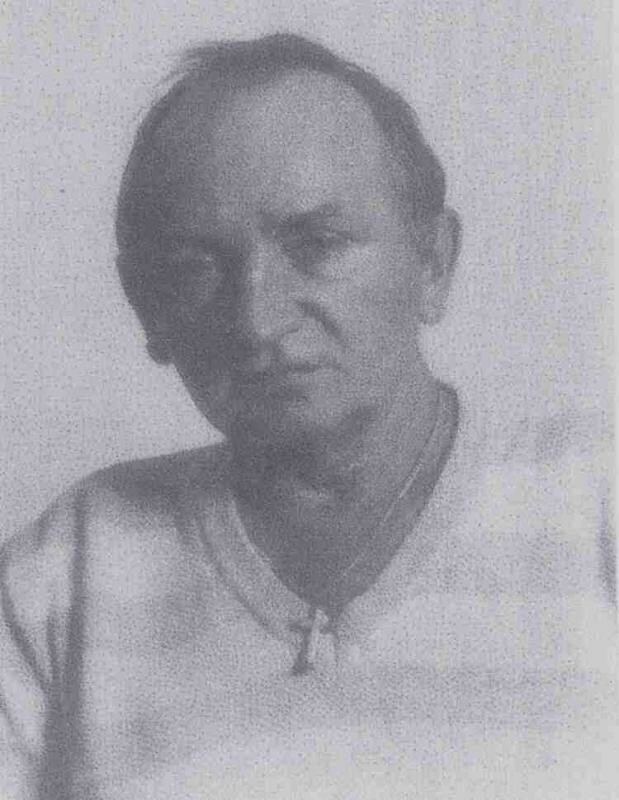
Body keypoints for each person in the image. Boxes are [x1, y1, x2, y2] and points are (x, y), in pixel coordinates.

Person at [0, 32, 615, 800]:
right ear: (146, 306)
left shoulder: (595, 504)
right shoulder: (60, 577)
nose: (257, 319)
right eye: (196, 267)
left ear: (432, 263)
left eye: (317, 245)